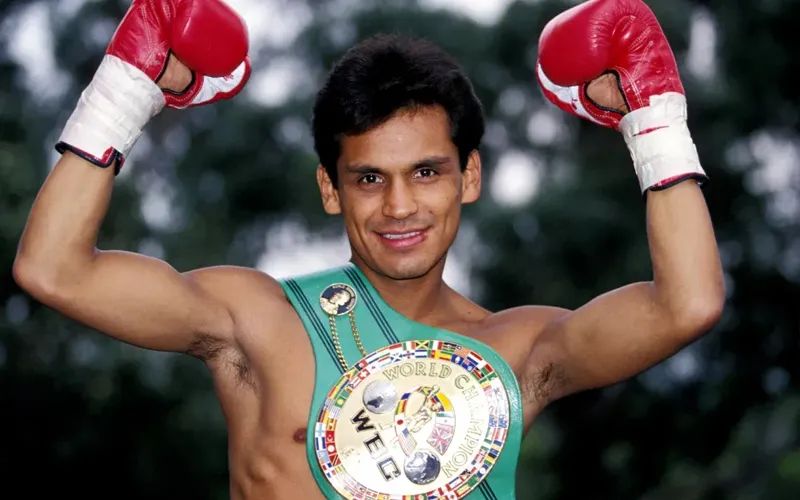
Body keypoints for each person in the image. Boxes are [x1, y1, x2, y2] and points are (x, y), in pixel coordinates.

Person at [13, 0, 724, 498]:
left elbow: (687, 305)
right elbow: (54, 269)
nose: (399, 206)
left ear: (469, 177)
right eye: (369, 179)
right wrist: (127, 87)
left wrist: (652, 117)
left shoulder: (519, 351)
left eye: (426, 172)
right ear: (331, 189)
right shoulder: (256, 321)